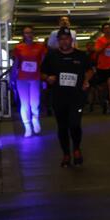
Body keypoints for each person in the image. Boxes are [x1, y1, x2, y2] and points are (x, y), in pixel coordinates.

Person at [41, 28, 93, 167]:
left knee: (75, 124)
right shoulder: (51, 56)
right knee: (62, 126)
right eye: (62, 39)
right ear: (58, 41)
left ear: (71, 40)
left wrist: (86, 80)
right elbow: (42, 73)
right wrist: (48, 78)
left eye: (67, 38)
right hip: (59, 96)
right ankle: (66, 154)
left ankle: (76, 149)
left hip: (76, 97)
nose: (64, 41)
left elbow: (90, 70)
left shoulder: (81, 56)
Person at [12, 25, 47, 137]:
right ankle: (27, 126)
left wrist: (44, 77)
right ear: (24, 35)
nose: (29, 35)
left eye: (30, 32)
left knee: (35, 103)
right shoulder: (19, 47)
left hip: (35, 78)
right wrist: (12, 78)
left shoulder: (40, 47)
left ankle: (35, 119)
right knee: (24, 104)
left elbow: (44, 63)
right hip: (21, 79)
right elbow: (16, 63)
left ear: (33, 34)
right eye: (26, 33)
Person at [90, 23, 110, 113]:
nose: (108, 30)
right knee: (102, 87)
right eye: (105, 28)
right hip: (102, 66)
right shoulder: (100, 40)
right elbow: (97, 51)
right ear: (103, 30)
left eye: (109, 28)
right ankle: (104, 102)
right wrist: (105, 45)